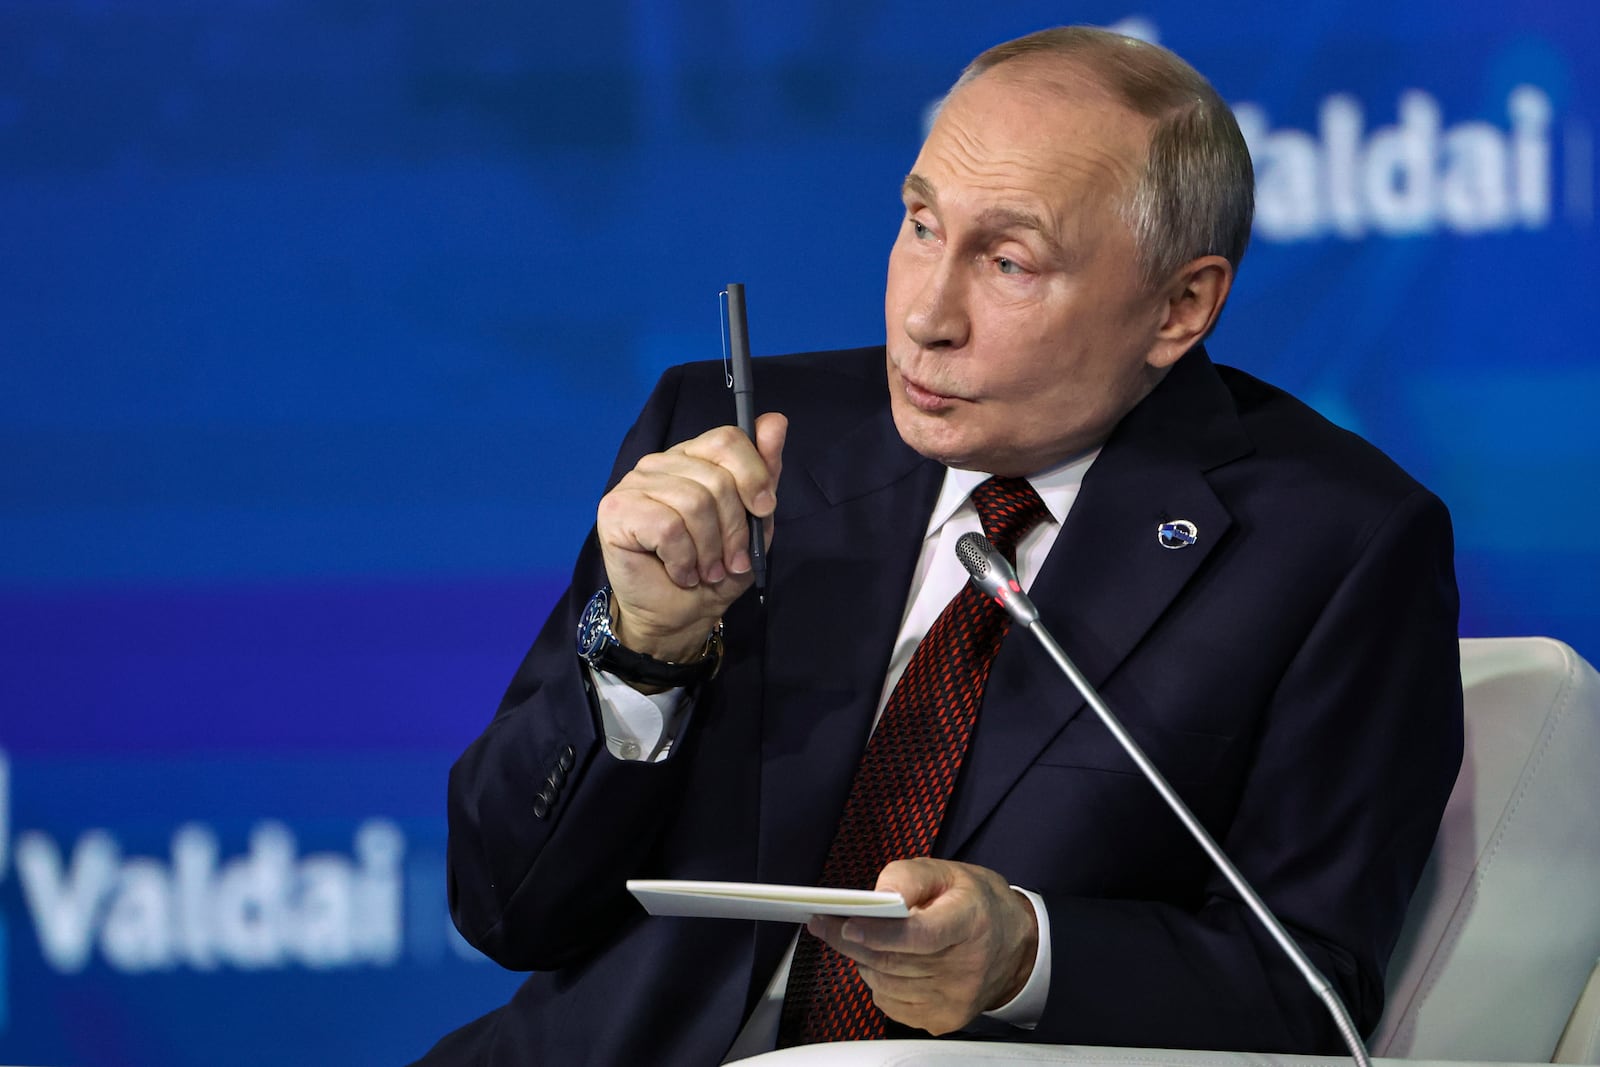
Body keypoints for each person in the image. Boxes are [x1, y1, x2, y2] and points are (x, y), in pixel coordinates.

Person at [415, 25, 1462, 1067]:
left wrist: (1026, 959)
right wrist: (643, 648)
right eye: (919, 225)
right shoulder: (728, 437)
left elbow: (1313, 992)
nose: (924, 314)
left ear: (1179, 306)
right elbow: (506, 906)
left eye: (1007, 260)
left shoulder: (1332, 541)